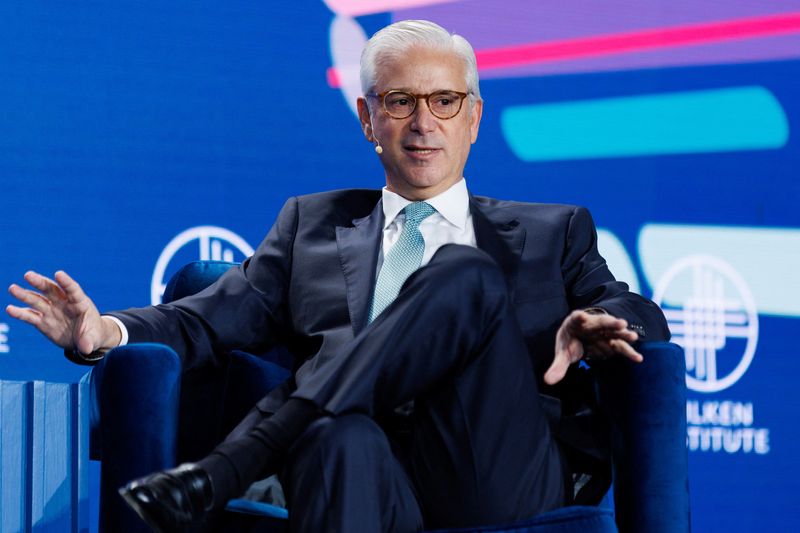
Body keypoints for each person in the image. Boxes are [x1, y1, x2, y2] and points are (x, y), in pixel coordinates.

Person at [6, 20, 669, 533]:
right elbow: (206, 317)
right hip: (362, 464)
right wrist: (104, 330)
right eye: (401, 101)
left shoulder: (553, 231)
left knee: (464, 271)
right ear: (367, 119)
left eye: (444, 101)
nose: (422, 123)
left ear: (474, 118)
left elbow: (639, 314)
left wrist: (610, 324)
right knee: (336, 435)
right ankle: (258, 449)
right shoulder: (311, 227)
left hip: (492, 468)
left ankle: (228, 466)